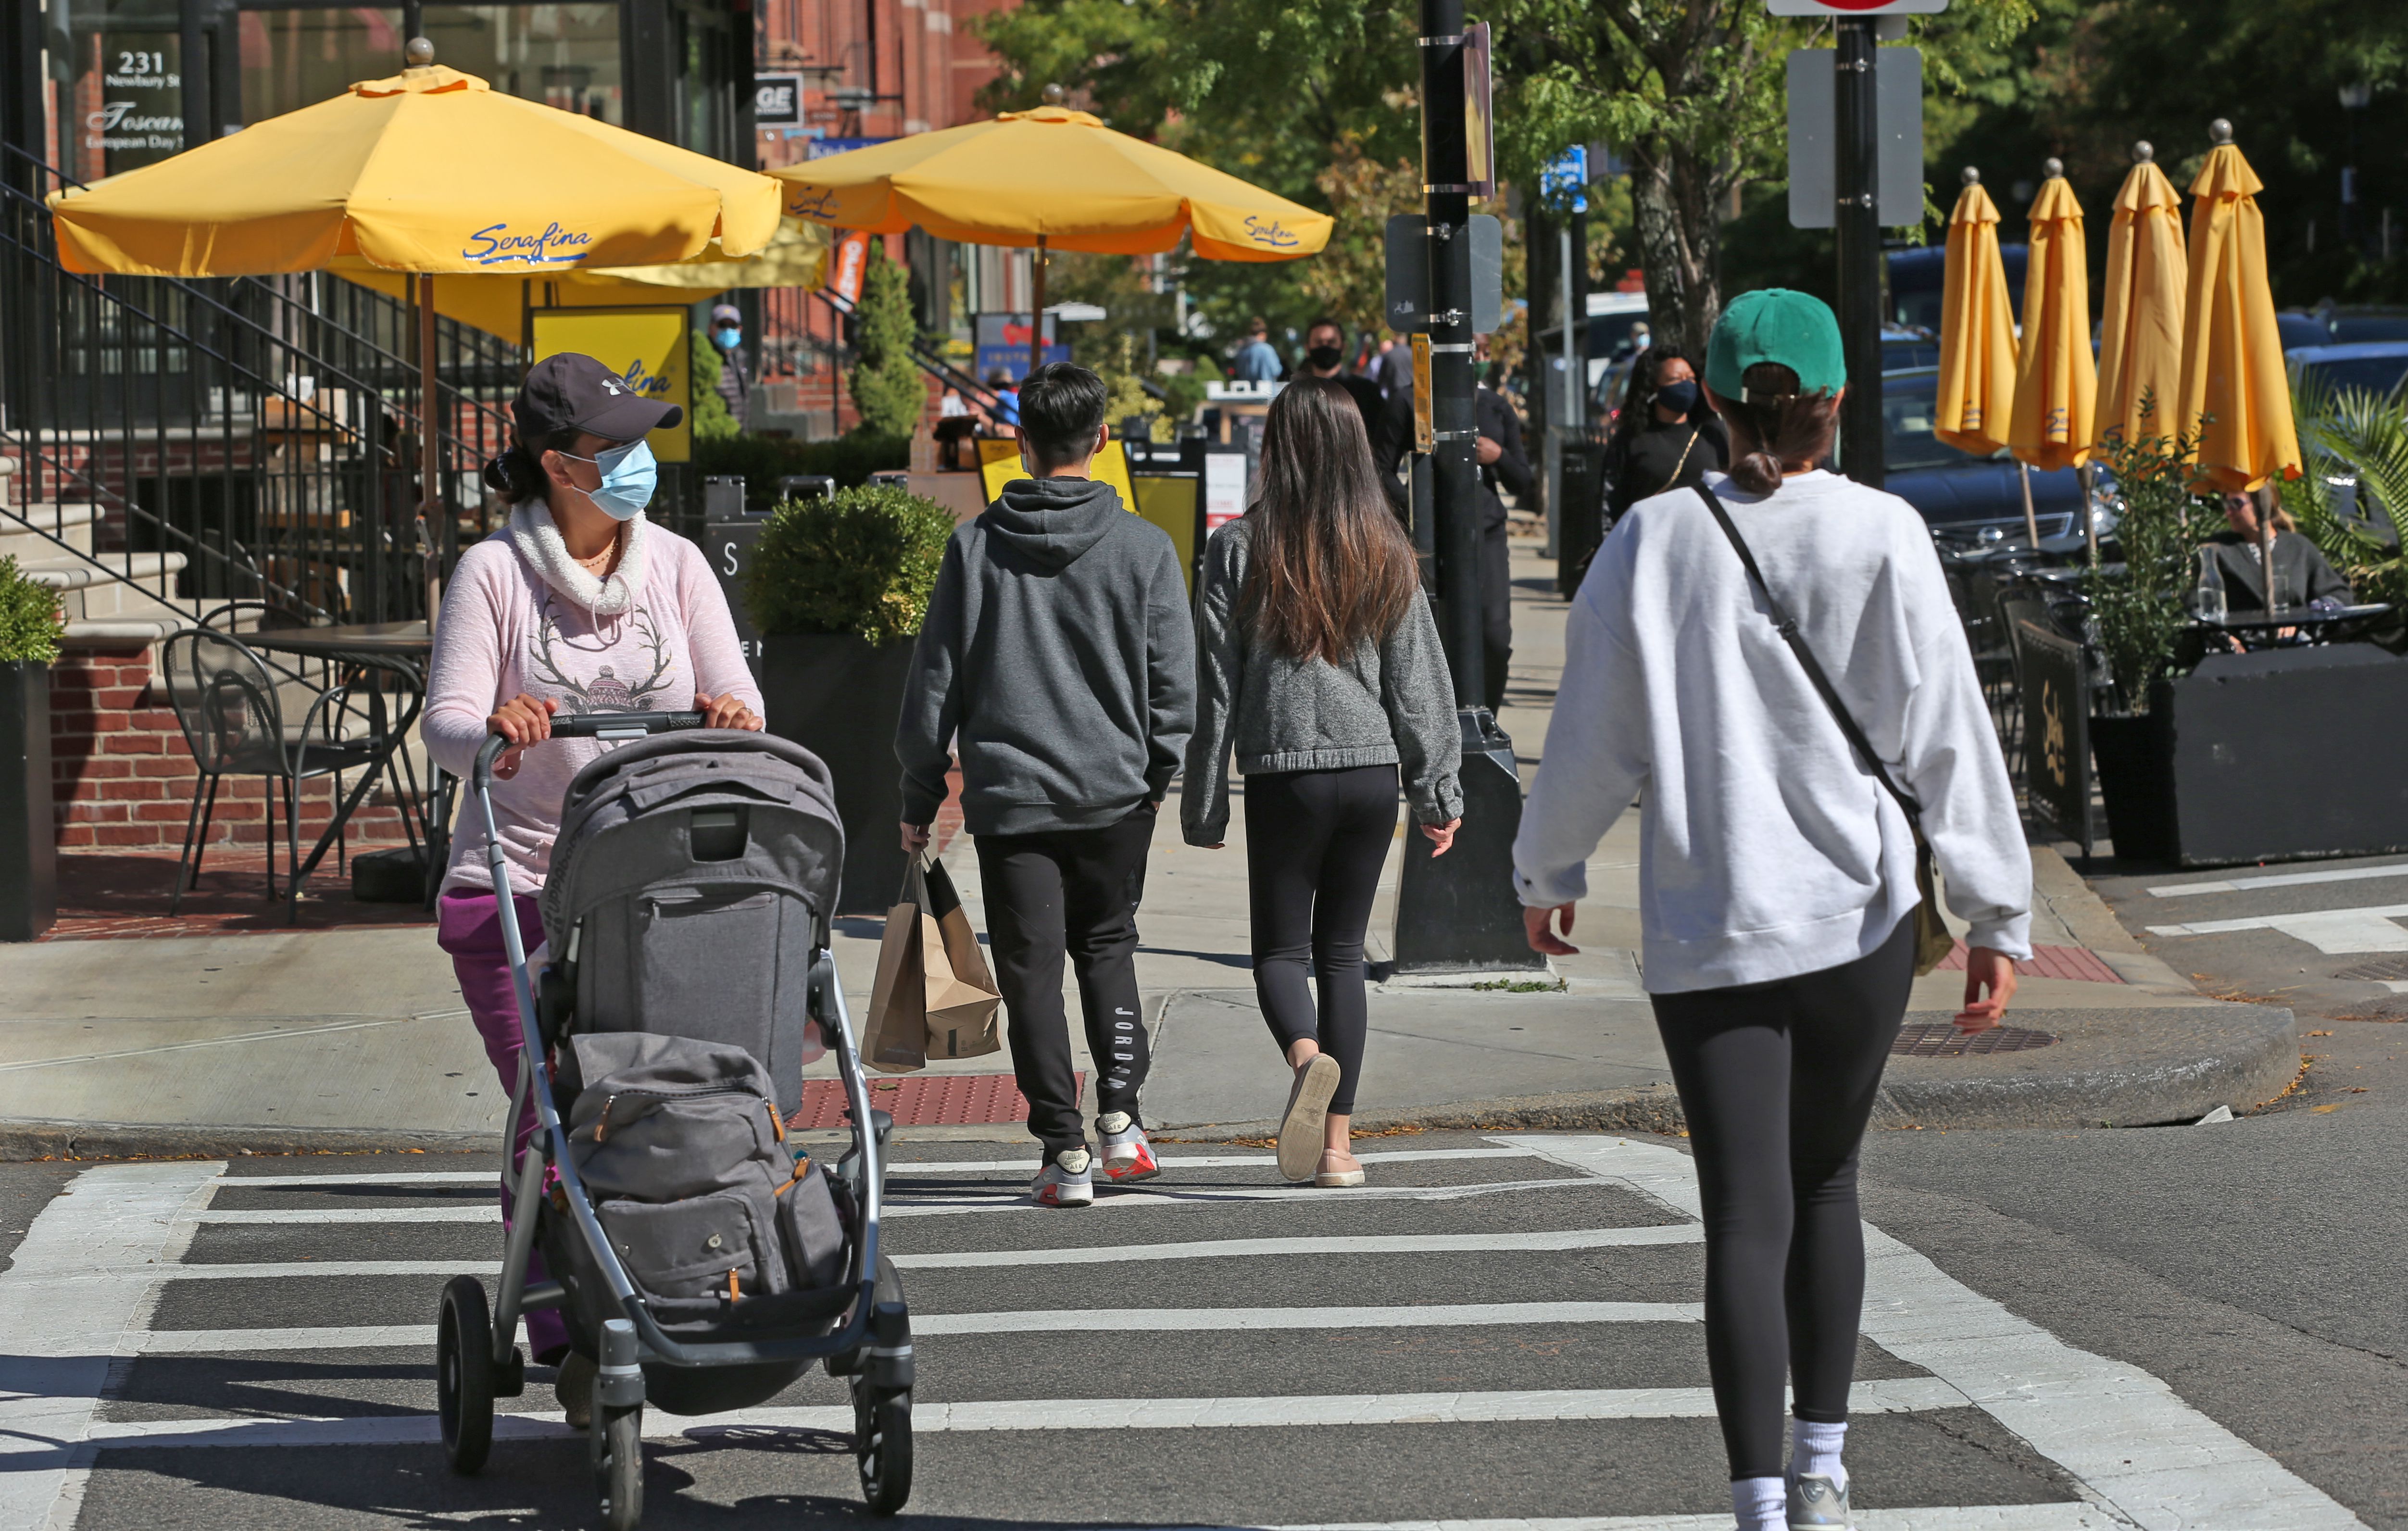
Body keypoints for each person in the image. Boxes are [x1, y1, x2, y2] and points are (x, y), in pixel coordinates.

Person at [1511, 289, 2031, 1531]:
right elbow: (1948, 731)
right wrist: (1997, 910)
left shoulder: (1654, 539)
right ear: (1838, 404)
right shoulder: (1886, 535)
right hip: (1856, 917)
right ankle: (1825, 1467)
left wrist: (1550, 870)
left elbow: (1593, 737)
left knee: (1742, 1205)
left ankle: (1755, 1498)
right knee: (1828, 1186)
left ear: (1719, 402)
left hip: (1711, 916)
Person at [425, 352, 764, 1427]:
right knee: (553, 1113)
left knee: (648, 1104)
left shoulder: (672, 564)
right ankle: (563, 1330)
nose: (634, 463)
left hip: (649, 888)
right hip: (519, 883)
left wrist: (726, 711)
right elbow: (445, 726)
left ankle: (668, 1284)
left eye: (636, 442)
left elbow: (743, 695)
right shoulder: (494, 573)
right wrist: (497, 729)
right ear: (555, 463)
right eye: (611, 447)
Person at [895, 362, 1197, 1209]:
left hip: (1012, 795)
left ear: (1019, 444)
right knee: (1108, 945)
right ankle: (1123, 1121)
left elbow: (933, 687)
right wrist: (1155, 775)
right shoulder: (1144, 548)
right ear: (1102, 439)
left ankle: (1063, 1149)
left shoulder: (976, 547)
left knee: (1029, 967)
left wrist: (919, 796)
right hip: (1114, 793)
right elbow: (1175, 685)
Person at [1183, 378, 1463, 1188]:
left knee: (1278, 950)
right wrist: (1438, 789)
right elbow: (1420, 680)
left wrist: (1204, 801)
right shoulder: (1385, 546)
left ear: (1277, 449)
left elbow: (1215, 686)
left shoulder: (1239, 547)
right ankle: (1338, 1148)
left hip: (1284, 772)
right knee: (1342, 954)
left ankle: (1306, 1059)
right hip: (1371, 772)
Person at [1472, 342, 1531, 716]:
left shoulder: (1497, 407)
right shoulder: (1414, 403)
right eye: (1471, 349)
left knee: (1494, 637)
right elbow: (1382, 468)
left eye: (1485, 350)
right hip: (1429, 537)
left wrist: (1499, 458)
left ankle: (1487, 716)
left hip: (1487, 532)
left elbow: (1523, 481)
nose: (1479, 358)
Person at [1605, 346, 1727, 524]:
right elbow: (1611, 502)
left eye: (1691, 378)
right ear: (1654, 387)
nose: (1686, 385)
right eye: (1675, 379)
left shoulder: (1712, 433)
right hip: (1650, 541)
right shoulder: (1631, 439)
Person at [2202, 486, 2349, 615]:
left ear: (2262, 503)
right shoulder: (2218, 549)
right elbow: (2198, 602)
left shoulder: (2298, 547)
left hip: (2297, 641)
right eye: (2226, 504)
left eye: (2236, 504)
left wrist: (2302, 617)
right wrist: (2227, 637)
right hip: (2240, 641)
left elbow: (2338, 594)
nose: (2229, 512)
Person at [707, 302, 750, 423]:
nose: (728, 330)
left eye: (733, 326)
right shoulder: (706, 359)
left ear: (740, 329)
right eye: (722, 325)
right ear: (711, 328)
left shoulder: (740, 358)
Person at [1230, 317, 1283, 384]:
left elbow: (1238, 370)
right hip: (1266, 389)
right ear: (1263, 334)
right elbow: (1276, 370)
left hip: (1247, 391)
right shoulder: (1267, 349)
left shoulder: (1242, 350)